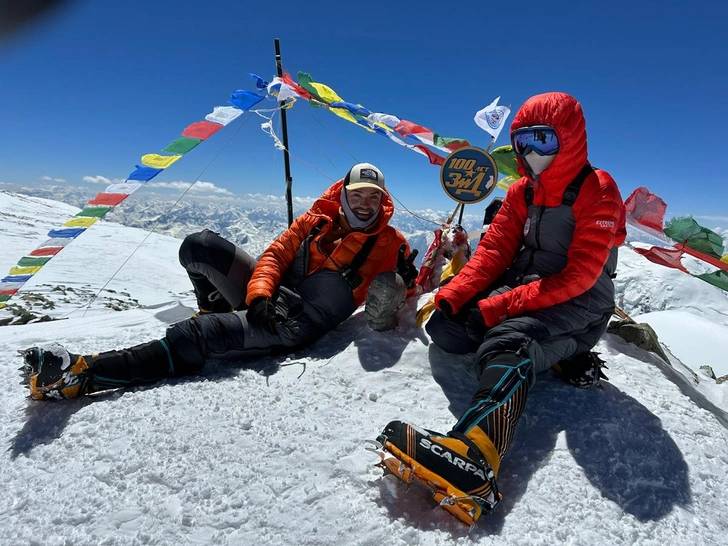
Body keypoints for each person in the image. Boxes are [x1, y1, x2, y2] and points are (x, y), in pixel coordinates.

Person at [377, 92, 627, 520]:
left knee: (507, 337)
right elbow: (493, 252)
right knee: (448, 329)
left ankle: (474, 455)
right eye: (522, 142)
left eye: (543, 141)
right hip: (530, 287)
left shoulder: (598, 189)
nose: (530, 152)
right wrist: (456, 295)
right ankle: (556, 356)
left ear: (568, 139)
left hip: (582, 300)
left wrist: (499, 308)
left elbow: (581, 276)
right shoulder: (522, 193)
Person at [22, 162, 419, 400]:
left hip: (300, 320)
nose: (364, 204)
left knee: (197, 336)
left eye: (372, 196)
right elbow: (276, 256)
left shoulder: (391, 243)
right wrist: (260, 293)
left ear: (381, 199)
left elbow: (409, 288)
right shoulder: (314, 220)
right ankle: (220, 314)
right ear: (344, 195)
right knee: (199, 247)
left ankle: (81, 375)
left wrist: (410, 280)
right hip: (271, 298)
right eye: (357, 195)